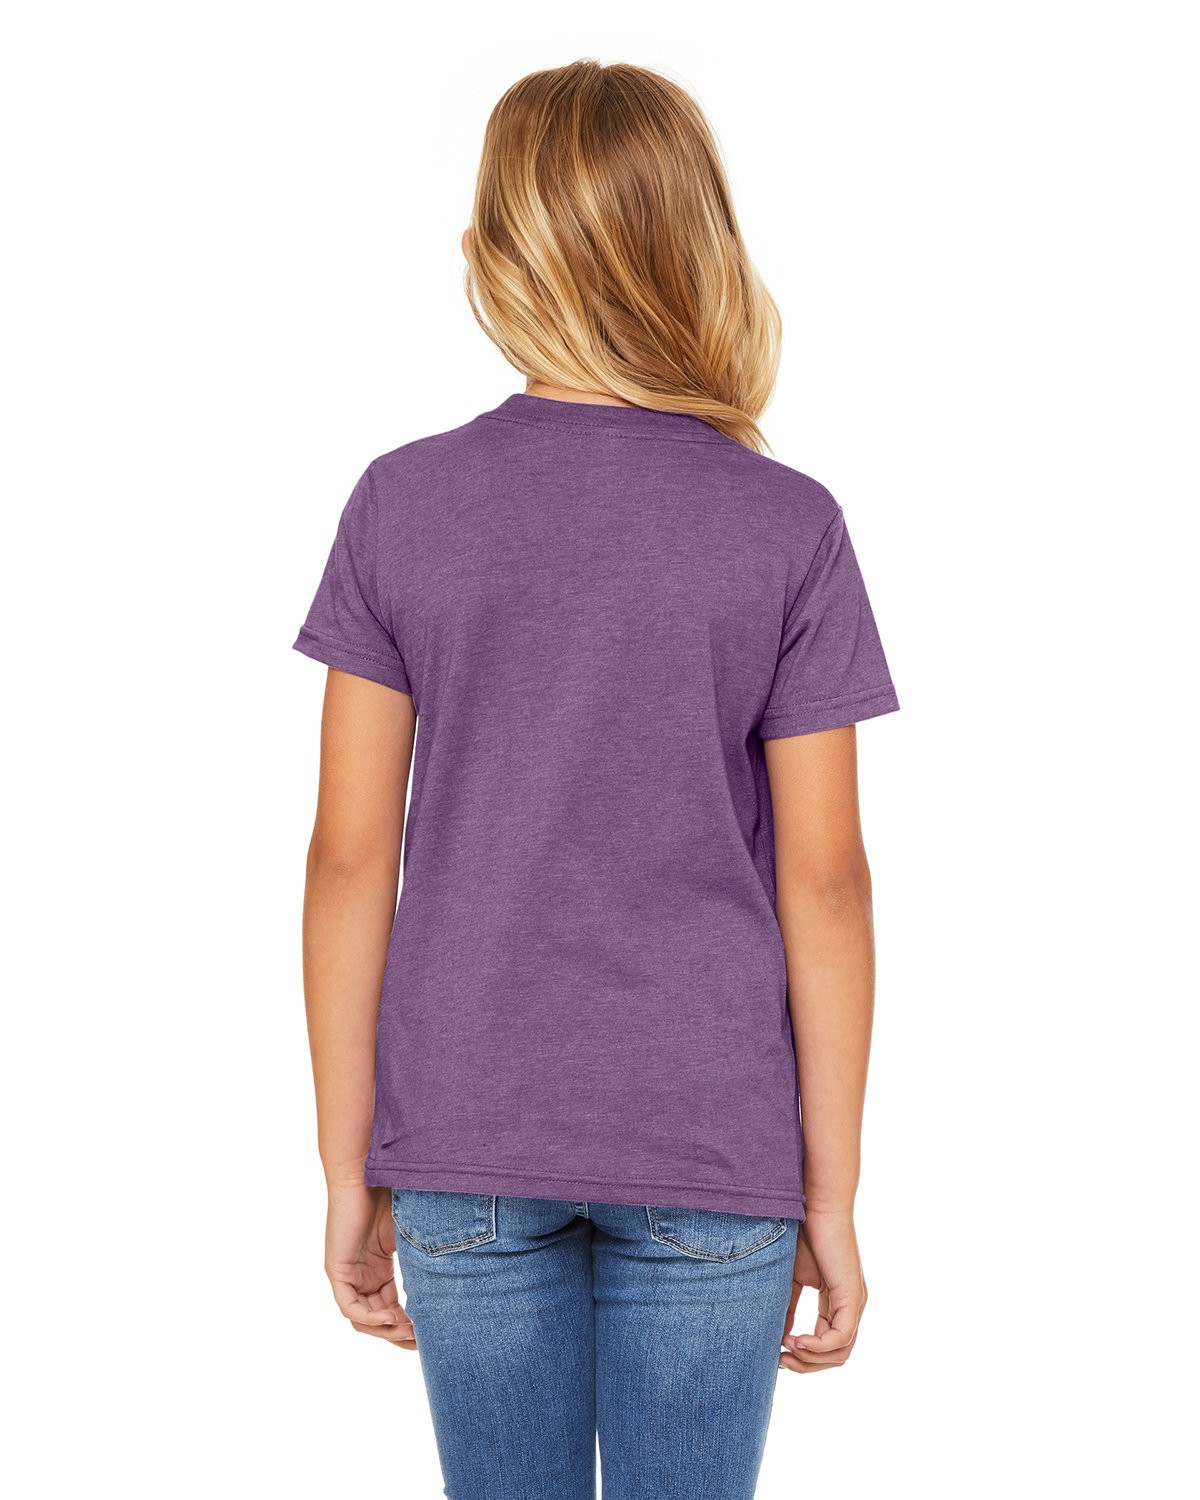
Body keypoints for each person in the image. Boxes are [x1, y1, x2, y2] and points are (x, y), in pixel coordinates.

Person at [292, 58, 900, 1500]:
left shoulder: (402, 502)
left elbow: (347, 860)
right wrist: (830, 1194)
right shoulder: (788, 524)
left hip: (464, 1139)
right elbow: (825, 881)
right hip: (713, 1145)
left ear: (493, 250)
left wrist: (346, 1168)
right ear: (699, 244)